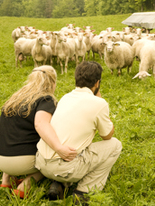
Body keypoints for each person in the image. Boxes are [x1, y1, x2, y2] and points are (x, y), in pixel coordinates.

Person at [0, 65, 77, 198]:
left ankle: (6, 181)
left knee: (13, 134)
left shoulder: (17, 96)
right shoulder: (45, 100)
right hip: (14, 160)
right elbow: (40, 124)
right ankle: (25, 185)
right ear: (52, 82)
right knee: (50, 158)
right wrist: (59, 148)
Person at [35, 61, 122, 203]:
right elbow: (107, 135)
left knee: (78, 141)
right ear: (97, 83)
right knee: (115, 145)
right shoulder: (99, 104)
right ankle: (84, 191)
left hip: (41, 163)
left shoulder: (65, 97)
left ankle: (59, 184)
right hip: (65, 168)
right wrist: (99, 99)